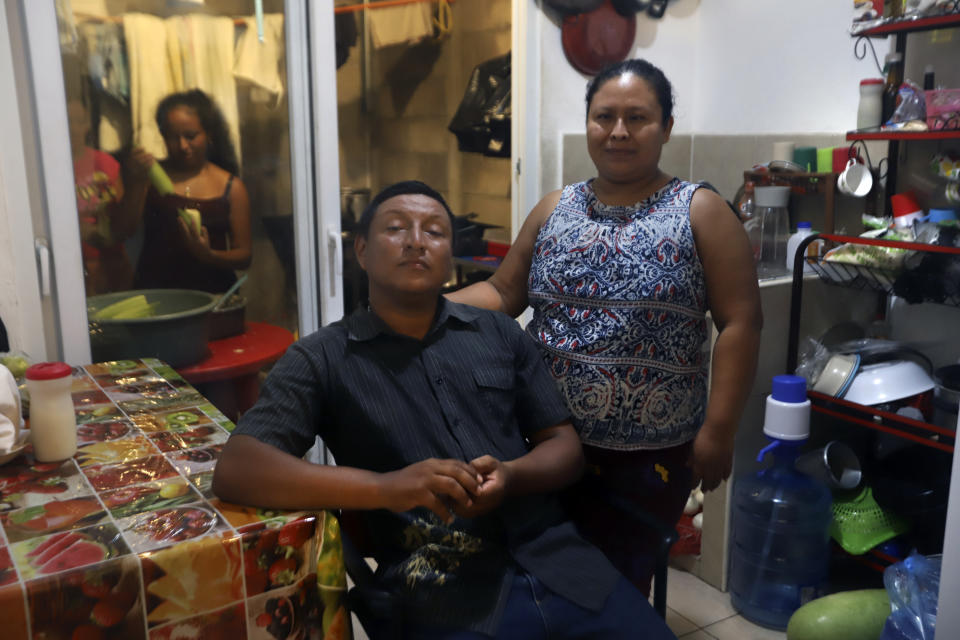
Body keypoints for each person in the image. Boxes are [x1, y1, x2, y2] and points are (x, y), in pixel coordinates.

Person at [213, 181, 676, 639]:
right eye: (396, 228)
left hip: (562, 565)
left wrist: (513, 476)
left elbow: (565, 447)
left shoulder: (499, 333)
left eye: (434, 231)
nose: (416, 241)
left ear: (449, 252)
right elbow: (238, 468)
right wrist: (386, 488)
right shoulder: (324, 358)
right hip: (440, 589)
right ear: (360, 251)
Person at [447, 58, 763, 596]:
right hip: (541, 441)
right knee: (537, 577)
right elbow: (503, 292)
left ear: (665, 127)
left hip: (648, 458)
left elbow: (740, 321)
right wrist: (431, 308)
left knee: (608, 592)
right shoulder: (555, 207)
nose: (618, 131)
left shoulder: (701, 212)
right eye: (604, 116)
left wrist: (720, 430)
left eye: (637, 117)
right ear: (589, 122)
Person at [131, 89, 251, 293]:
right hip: (157, 294)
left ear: (209, 134)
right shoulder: (150, 178)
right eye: (172, 137)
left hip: (213, 296)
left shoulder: (231, 187)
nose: (183, 146)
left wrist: (209, 255)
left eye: (191, 136)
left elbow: (245, 256)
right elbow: (123, 230)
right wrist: (135, 181)